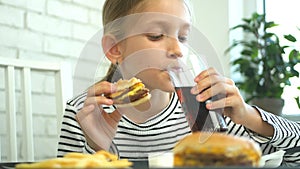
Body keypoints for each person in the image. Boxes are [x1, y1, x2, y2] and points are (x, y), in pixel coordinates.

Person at [57, 0, 300, 166]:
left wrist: (248, 116)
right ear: (114, 48)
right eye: (156, 35)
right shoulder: (84, 113)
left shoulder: (202, 107)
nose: (178, 49)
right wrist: (98, 149)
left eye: (183, 37)